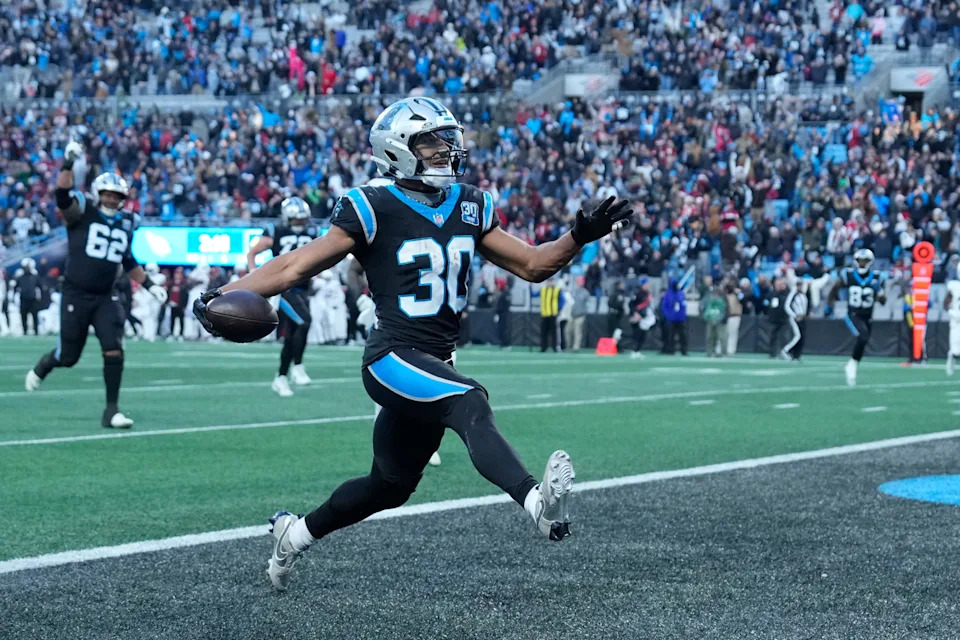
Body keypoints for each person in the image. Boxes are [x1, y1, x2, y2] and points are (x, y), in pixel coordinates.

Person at [193, 96, 633, 591]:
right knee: (469, 400)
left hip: (434, 361)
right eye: (431, 141)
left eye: (448, 139)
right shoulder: (371, 205)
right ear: (398, 148)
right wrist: (224, 294)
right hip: (391, 357)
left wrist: (579, 235)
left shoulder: (471, 203)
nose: (446, 150)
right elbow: (295, 265)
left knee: (389, 485)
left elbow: (533, 265)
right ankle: (538, 505)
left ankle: (292, 536)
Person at [25, 141, 167, 428]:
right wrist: (67, 163)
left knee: (113, 349)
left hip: (105, 295)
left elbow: (127, 260)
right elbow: (62, 194)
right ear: (98, 194)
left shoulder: (128, 223)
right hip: (76, 293)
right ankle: (45, 364)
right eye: (107, 195)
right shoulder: (83, 213)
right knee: (68, 357)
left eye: (116, 196)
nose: (112, 200)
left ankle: (111, 411)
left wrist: (151, 284)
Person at [246, 196, 319, 397]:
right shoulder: (276, 231)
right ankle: (298, 366)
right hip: (284, 287)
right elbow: (252, 253)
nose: (301, 223)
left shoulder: (311, 232)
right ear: (287, 218)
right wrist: (254, 274)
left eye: (303, 219)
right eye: (297, 219)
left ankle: (280, 378)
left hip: (303, 289)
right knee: (304, 322)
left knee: (291, 335)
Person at [826, 248, 886, 386]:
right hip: (853, 313)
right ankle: (852, 365)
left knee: (864, 340)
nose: (862, 263)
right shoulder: (848, 275)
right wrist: (830, 304)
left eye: (865, 261)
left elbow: (883, 302)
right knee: (863, 336)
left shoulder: (877, 277)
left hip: (867, 315)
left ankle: (853, 364)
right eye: (860, 261)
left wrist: (880, 292)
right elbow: (835, 289)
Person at [782, 276, 808, 361]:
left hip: (803, 317)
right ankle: (786, 350)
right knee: (797, 336)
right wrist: (794, 315)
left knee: (802, 337)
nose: (800, 286)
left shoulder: (803, 294)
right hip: (796, 318)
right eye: (798, 284)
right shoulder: (793, 294)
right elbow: (787, 306)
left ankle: (797, 355)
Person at [14, 257, 42, 335]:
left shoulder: (35, 276)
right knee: (23, 316)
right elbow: (16, 288)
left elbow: (40, 286)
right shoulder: (20, 277)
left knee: (35, 315)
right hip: (23, 298)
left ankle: (36, 331)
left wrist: (39, 297)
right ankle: (25, 331)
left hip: (33, 299)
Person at [661, 278, 688, 355]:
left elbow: (683, 305)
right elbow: (664, 306)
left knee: (682, 335)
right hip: (671, 318)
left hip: (680, 318)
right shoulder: (668, 294)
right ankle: (671, 349)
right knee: (671, 335)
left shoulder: (681, 293)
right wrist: (668, 315)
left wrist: (683, 315)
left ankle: (684, 350)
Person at [628, 277, 653, 359]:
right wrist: (635, 313)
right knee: (637, 334)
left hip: (643, 317)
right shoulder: (637, 292)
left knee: (643, 335)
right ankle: (634, 351)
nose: (648, 285)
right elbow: (631, 304)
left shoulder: (647, 293)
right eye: (647, 284)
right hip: (636, 316)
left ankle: (638, 351)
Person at [701, 282, 727, 357]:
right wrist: (706, 316)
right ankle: (710, 352)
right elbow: (704, 308)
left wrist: (721, 318)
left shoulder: (723, 298)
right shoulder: (708, 298)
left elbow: (725, 309)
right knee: (710, 337)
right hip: (710, 319)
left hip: (720, 320)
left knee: (721, 337)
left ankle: (723, 352)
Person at [768, 277, 789, 359]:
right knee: (773, 337)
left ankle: (784, 352)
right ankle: (773, 353)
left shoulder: (787, 293)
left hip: (784, 319)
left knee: (784, 337)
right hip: (774, 319)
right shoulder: (772, 294)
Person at [539, 277, 561, 352]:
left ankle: (555, 347)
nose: (549, 283)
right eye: (548, 281)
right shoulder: (543, 290)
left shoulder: (557, 290)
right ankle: (543, 347)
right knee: (544, 333)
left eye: (551, 281)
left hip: (553, 314)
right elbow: (534, 294)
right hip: (545, 314)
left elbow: (562, 300)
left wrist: (558, 309)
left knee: (554, 333)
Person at [945, 276, 960, 375]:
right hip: (956, 320)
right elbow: (945, 303)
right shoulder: (954, 286)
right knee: (955, 350)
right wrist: (951, 312)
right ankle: (951, 358)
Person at [495, 278, 512, 349]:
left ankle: (506, 343)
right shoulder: (503, 293)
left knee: (505, 329)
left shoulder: (505, 294)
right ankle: (502, 343)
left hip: (504, 314)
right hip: (502, 314)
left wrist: (498, 312)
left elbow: (503, 306)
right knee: (501, 329)